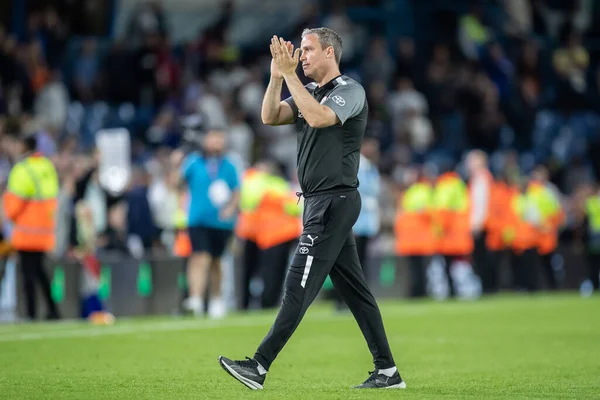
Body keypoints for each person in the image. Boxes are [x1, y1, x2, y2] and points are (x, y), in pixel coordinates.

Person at [218, 28, 405, 390]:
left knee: (297, 285)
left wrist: (289, 76)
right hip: (319, 203)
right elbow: (270, 116)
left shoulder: (349, 91)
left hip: (334, 201)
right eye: (299, 51)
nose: (301, 57)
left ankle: (258, 366)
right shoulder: (312, 93)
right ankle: (387, 371)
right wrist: (276, 74)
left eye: (307, 50)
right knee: (356, 292)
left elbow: (319, 118)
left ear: (330, 53)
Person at [173, 127, 240, 318]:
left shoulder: (229, 164)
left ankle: (216, 299)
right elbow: (177, 183)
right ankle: (196, 299)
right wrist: (177, 164)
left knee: (216, 261)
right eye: (213, 139)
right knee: (199, 257)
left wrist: (230, 209)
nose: (216, 143)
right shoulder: (193, 161)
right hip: (197, 219)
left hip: (221, 222)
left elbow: (236, 191)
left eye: (220, 139)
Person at [2, 132, 60, 320]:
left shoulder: (22, 169)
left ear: (23, 146)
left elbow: (13, 205)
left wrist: (7, 217)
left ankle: (31, 313)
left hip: (27, 230)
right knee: (40, 271)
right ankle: (52, 309)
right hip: (45, 230)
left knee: (28, 275)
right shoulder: (47, 166)